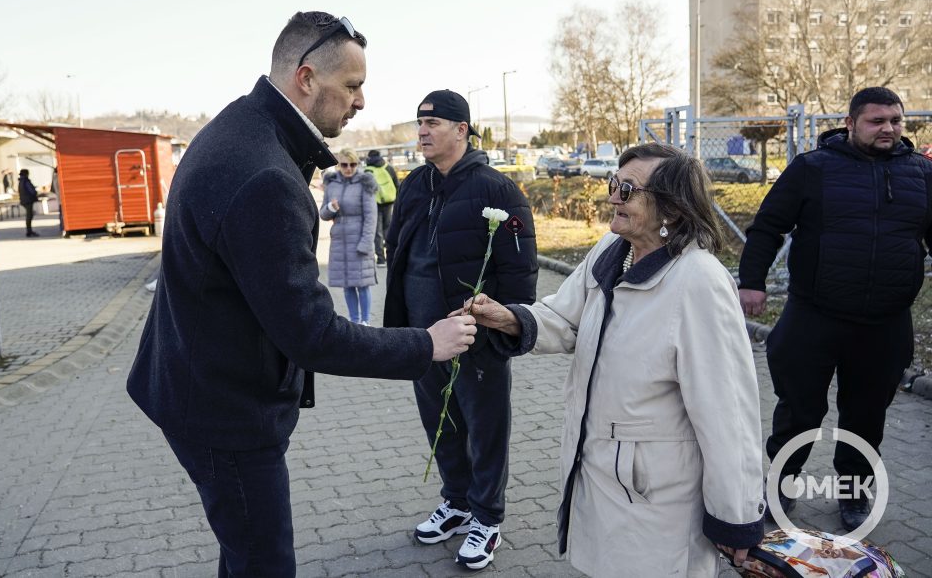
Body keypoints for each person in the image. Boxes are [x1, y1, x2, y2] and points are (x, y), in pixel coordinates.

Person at [126, 11, 477, 578]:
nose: (361, 102)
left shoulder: (241, 129)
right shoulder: (263, 173)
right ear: (307, 78)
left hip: (199, 387)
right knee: (265, 565)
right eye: (353, 86)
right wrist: (425, 345)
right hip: (227, 414)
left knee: (245, 554)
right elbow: (312, 334)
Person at [460, 143, 765, 577]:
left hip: (656, 500)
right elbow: (565, 318)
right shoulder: (612, 249)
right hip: (597, 476)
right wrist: (507, 317)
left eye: (628, 189)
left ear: (673, 210)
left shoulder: (698, 281)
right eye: (613, 184)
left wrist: (736, 519)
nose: (613, 197)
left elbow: (727, 414)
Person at [738, 86, 932, 532]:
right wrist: (752, 282)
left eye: (896, 121)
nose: (888, 129)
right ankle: (781, 486)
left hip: (885, 323)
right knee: (799, 411)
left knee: (866, 416)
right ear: (850, 123)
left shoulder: (922, 174)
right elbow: (767, 226)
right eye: (876, 121)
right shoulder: (813, 169)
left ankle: (854, 494)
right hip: (814, 316)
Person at [383, 89, 538, 571]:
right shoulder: (413, 185)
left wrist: (504, 325)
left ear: (461, 130)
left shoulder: (497, 190)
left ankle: (487, 518)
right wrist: (402, 328)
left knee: (484, 428)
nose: (422, 131)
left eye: (433, 123)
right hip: (423, 337)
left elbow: (520, 271)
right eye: (419, 123)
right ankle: (456, 502)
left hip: (475, 336)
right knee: (440, 424)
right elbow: (399, 253)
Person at [320, 148, 378, 325]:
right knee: (347, 284)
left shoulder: (365, 183)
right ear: (339, 165)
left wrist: (366, 243)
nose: (349, 168)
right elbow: (323, 214)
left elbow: (371, 216)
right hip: (340, 242)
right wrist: (331, 207)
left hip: (359, 239)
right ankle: (354, 321)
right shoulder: (331, 184)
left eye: (353, 164)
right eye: (345, 164)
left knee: (362, 284)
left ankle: (365, 321)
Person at [364, 149, 398, 265]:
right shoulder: (388, 168)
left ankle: (381, 258)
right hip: (389, 202)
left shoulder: (367, 170)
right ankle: (391, 255)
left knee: (377, 231)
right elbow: (396, 185)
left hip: (374, 203)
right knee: (388, 228)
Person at [18, 169, 39, 237]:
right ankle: (29, 231)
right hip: (28, 200)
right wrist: (35, 193)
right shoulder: (25, 181)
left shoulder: (21, 181)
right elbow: (31, 190)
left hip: (24, 200)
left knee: (29, 215)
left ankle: (29, 230)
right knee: (29, 216)